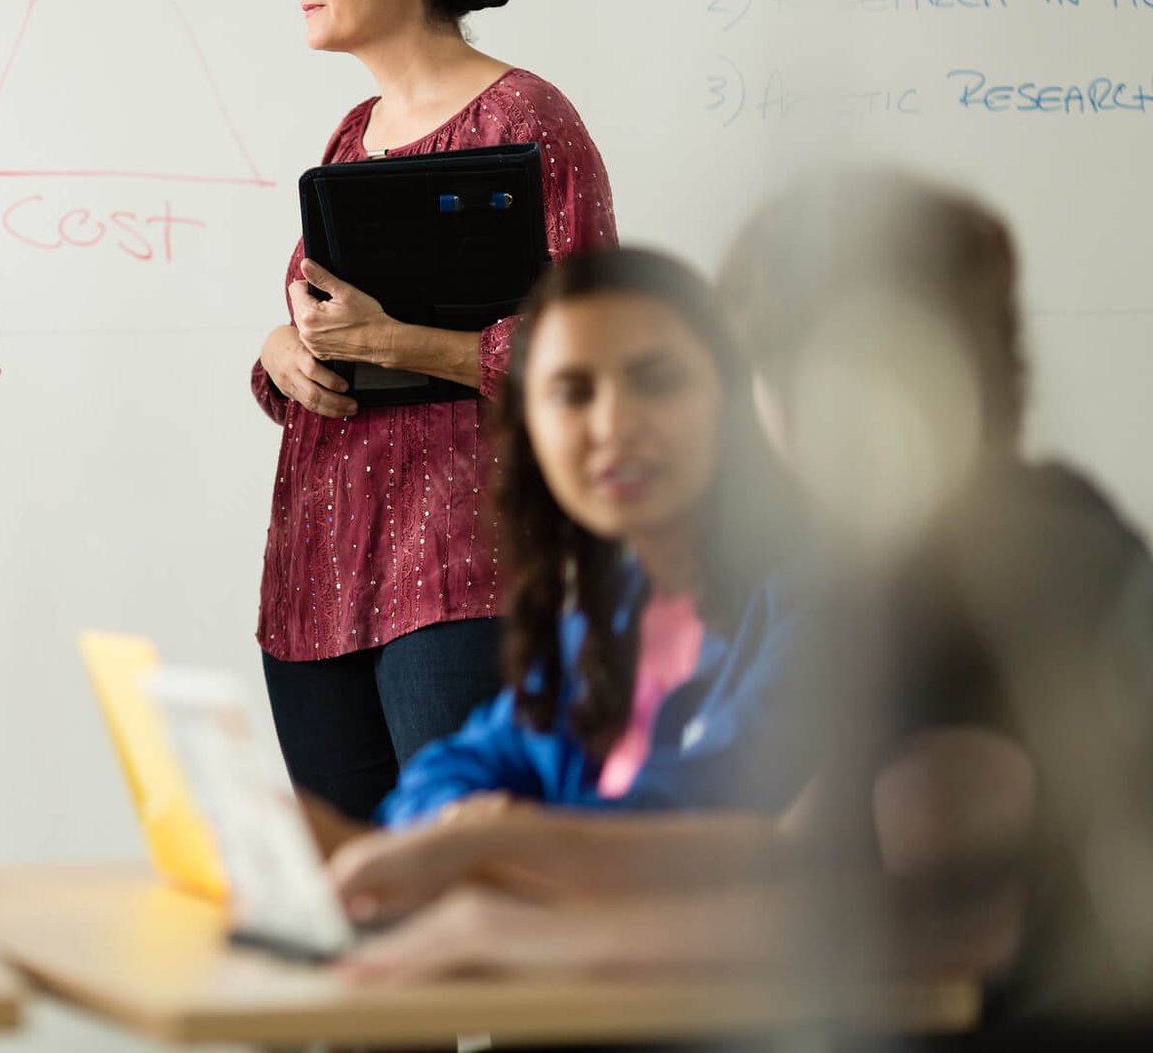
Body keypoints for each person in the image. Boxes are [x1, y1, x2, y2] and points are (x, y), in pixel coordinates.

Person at [335, 175, 1153, 1025]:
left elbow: (946, 918)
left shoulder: (1013, 555)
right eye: (775, 366)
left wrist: (524, 916)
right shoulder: (896, 569)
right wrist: (483, 860)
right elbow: (793, 855)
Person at [252, 0, 617, 822]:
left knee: (465, 891)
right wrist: (278, 353)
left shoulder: (526, 119)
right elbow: (315, 328)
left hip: (463, 569)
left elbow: (599, 359)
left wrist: (401, 345)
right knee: (352, 900)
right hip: (313, 576)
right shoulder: (346, 137)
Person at [321, 246, 813, 915]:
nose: (613, 426)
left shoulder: (816, 605)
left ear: (729, 399)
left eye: (657, 381)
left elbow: (713, 828)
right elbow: (441, 778)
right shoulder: (602, 616)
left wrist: (495, 839)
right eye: (572, 393)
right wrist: (490, 835)